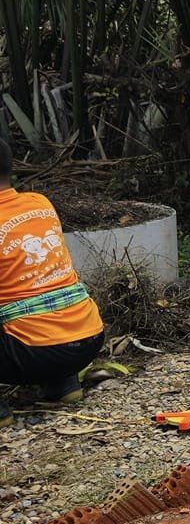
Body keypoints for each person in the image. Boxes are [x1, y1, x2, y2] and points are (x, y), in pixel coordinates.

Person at [0, 132, 106, 426]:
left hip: (34, 353)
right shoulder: (40, 202)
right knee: (42, 291)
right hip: (88, 339)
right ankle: (63, 383)